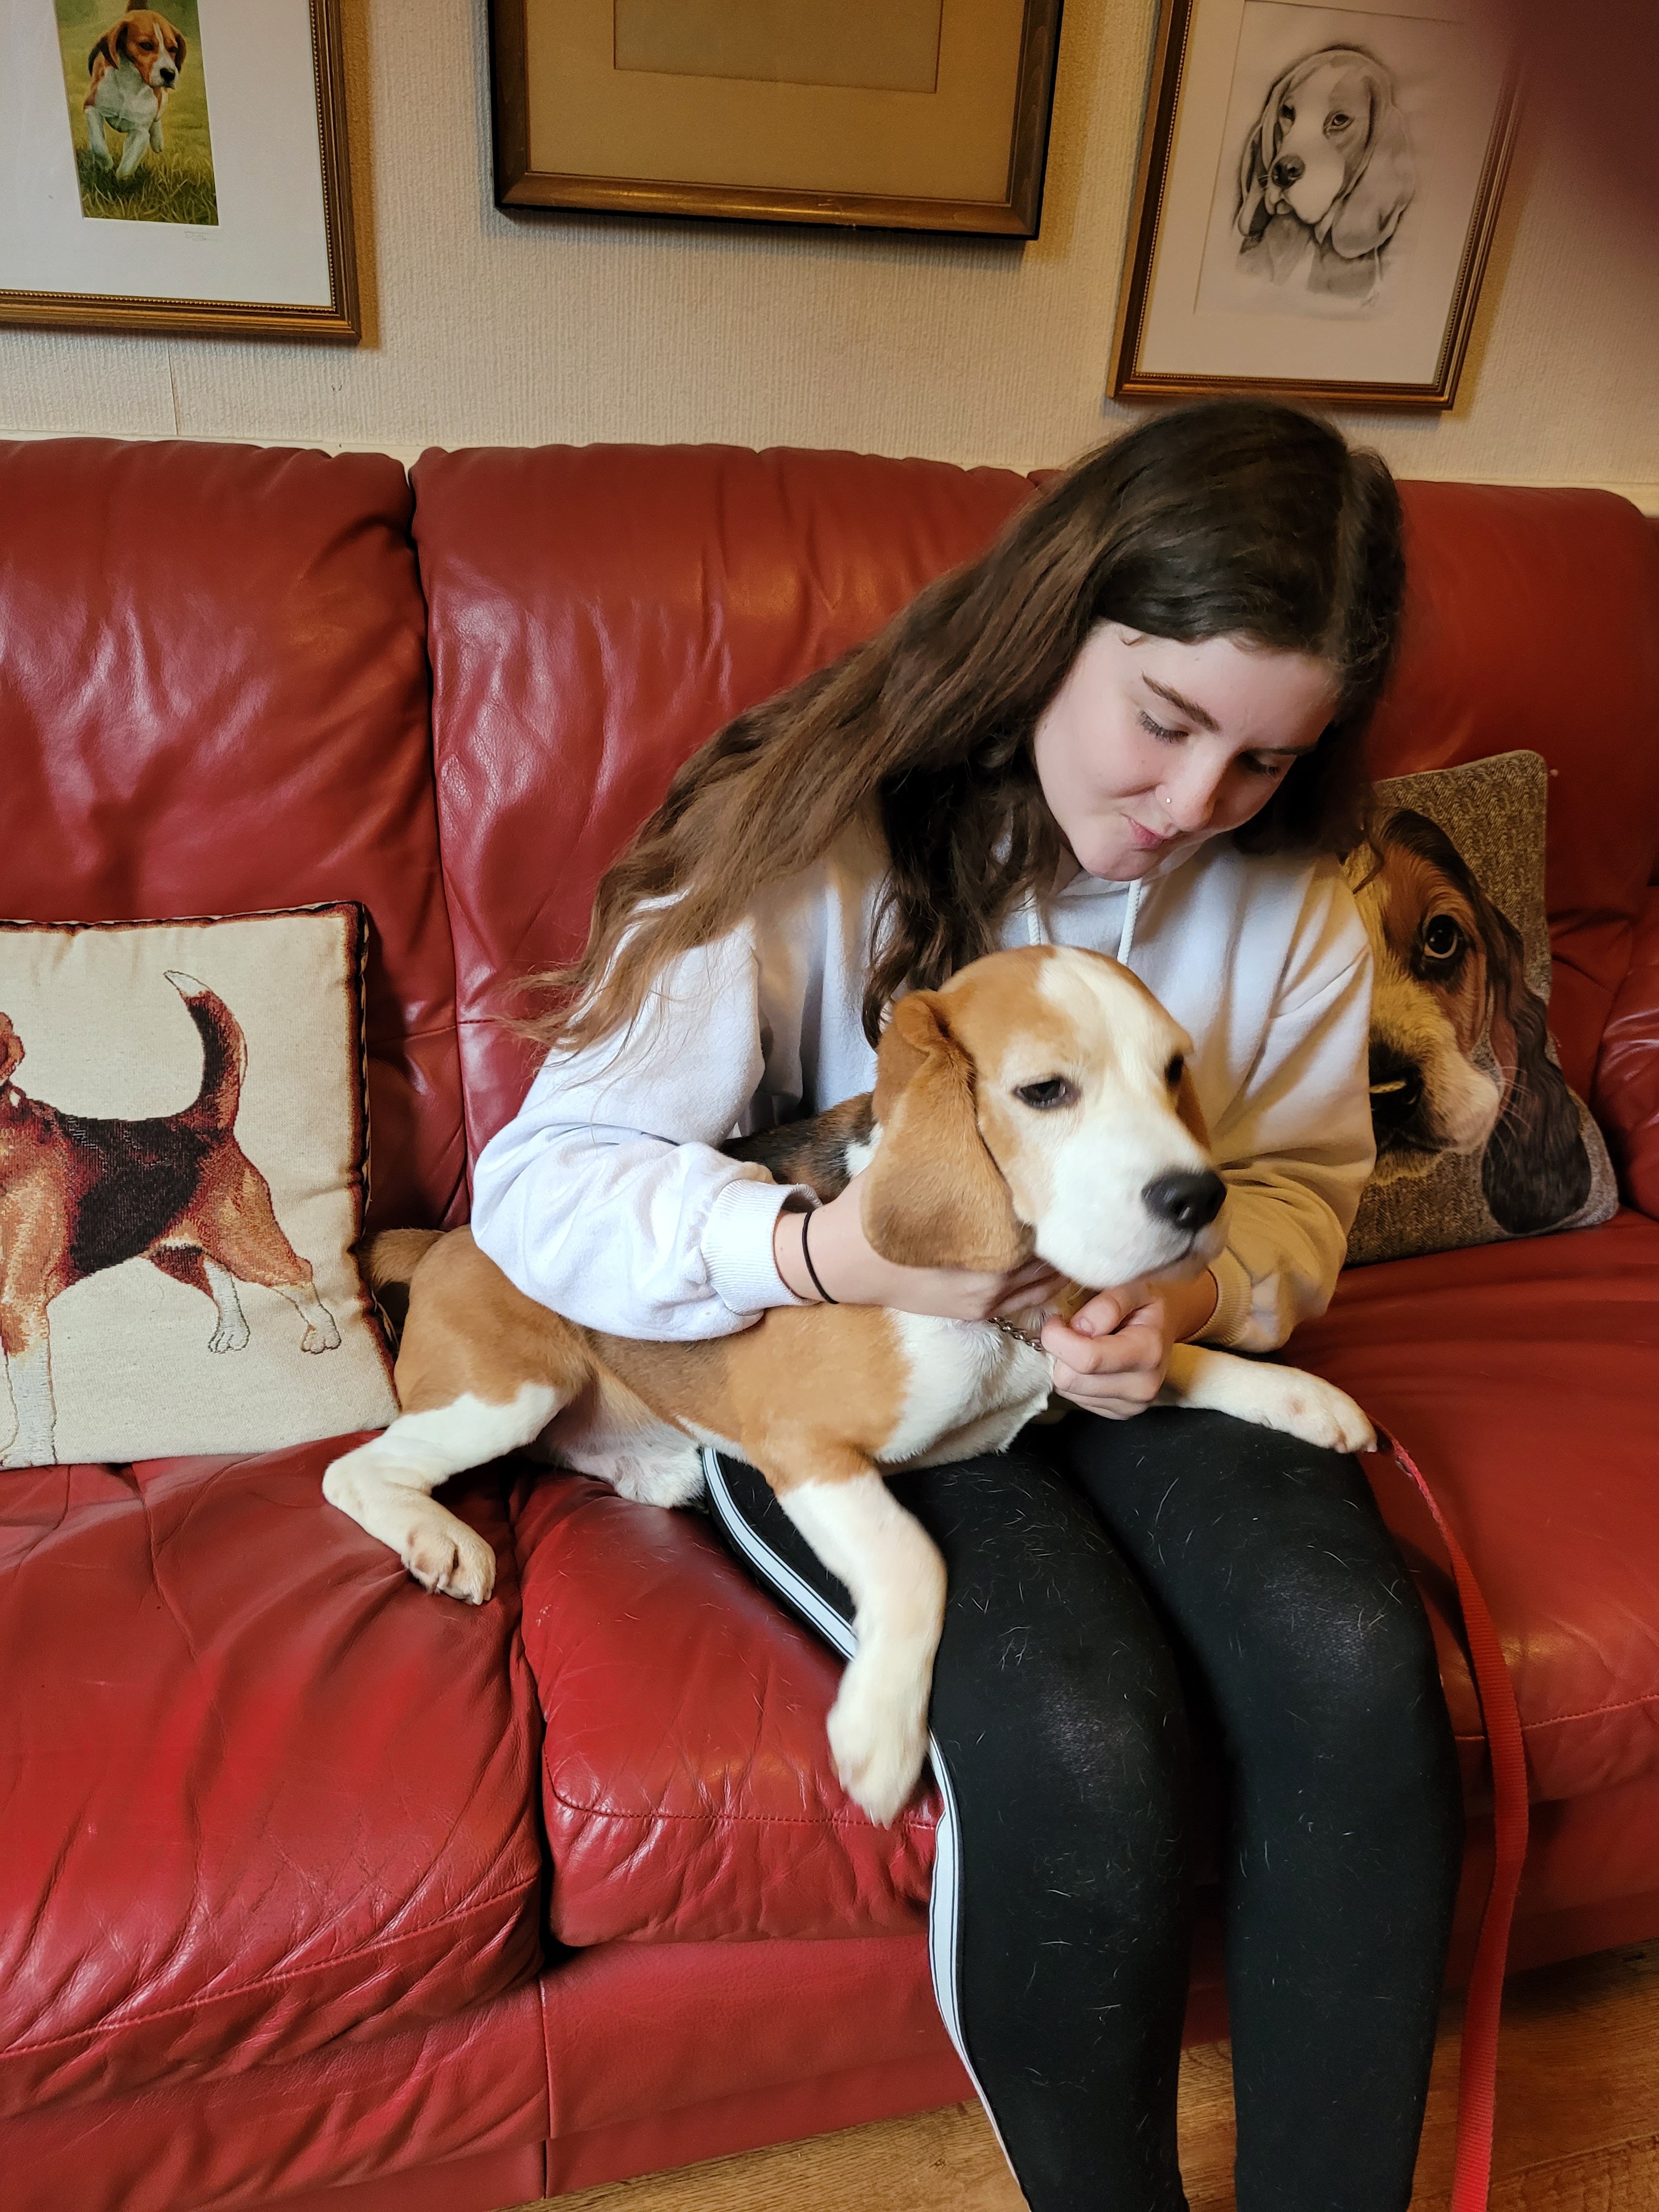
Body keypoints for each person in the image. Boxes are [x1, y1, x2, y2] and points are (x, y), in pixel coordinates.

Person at [470, 400, 1464, 2212]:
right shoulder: (809, 837)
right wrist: (815, 1257)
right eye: (1164, 719)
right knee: (1080, 1729)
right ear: (1054, 624)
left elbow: (1304, 1195)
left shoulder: (1297, 895)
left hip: (1130, 1371)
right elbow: (539, 1186)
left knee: (1352, 1649)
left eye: (1263, 760)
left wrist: (1195, 1292)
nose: (1194, 806)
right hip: (866, 1376)